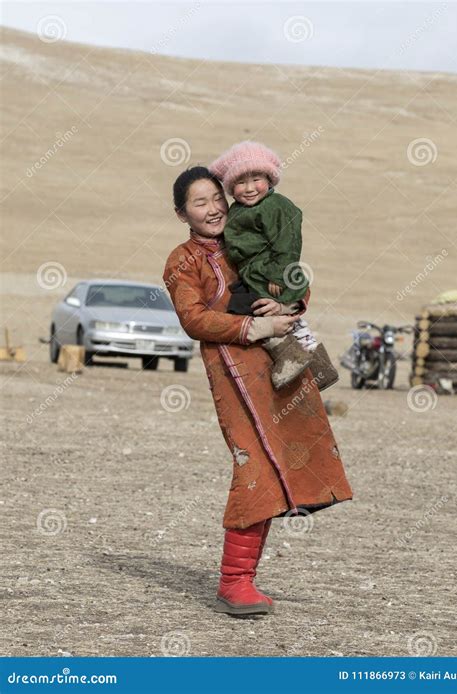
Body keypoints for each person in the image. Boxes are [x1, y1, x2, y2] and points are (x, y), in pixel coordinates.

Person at [162, 166, 353, 617]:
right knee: (254, 463)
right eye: (199, 203)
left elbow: (290, 273)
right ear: (181, 213)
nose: (212, 209)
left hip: (281, 365)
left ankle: (243, 580)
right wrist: (254, 324)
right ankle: (234, 582)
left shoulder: (248, 233)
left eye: (216, 199)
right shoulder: (182, 261)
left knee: (284, 457)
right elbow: (194, 320)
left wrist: (287, 304)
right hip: (234, 370)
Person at [209, 140, 338, 391]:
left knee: (264, 313)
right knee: (278, 318)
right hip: (254, 274)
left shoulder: (275, 206)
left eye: (256, 178)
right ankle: (317, 367)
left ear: (270, 178)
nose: (248, 188)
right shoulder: (239, 210)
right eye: (240, 182)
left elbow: (287, 243)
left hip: (272, 273)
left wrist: (278, 277)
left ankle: (291, 357)